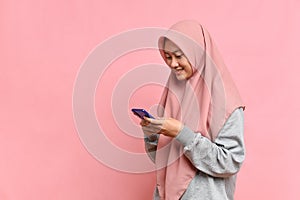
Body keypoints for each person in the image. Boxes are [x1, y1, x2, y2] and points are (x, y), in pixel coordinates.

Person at [140, 20, 245, 200]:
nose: (172, 64)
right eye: (168, 56)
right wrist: (151, 134)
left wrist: (182, 133)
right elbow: (162, 161)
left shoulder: (225, 102)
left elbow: (230, 162)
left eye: (179, 56)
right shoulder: (173, 94)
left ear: (197, 52)